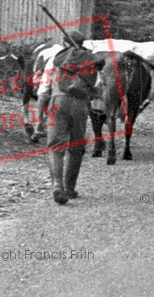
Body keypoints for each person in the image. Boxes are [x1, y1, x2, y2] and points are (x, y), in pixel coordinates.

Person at [36, 30, 104, 205]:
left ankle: (57, 185)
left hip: (56, 103)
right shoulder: (91, 60)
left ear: (65, 43)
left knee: (55, 146)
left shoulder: (55, 59)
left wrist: (40, 117)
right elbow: (98, 88)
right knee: (76, 146)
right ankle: (69, 188)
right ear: (82, 43)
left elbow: (43, 91)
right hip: (80, 105)